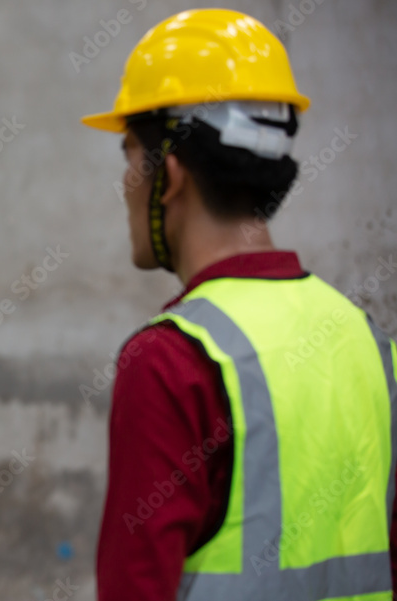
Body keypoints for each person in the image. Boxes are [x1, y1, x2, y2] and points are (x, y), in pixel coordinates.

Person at [82, 9, 396, 600]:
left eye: (127, 155)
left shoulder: (170, 361)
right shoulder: (370, 342)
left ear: (168, 175)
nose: (124, 183)